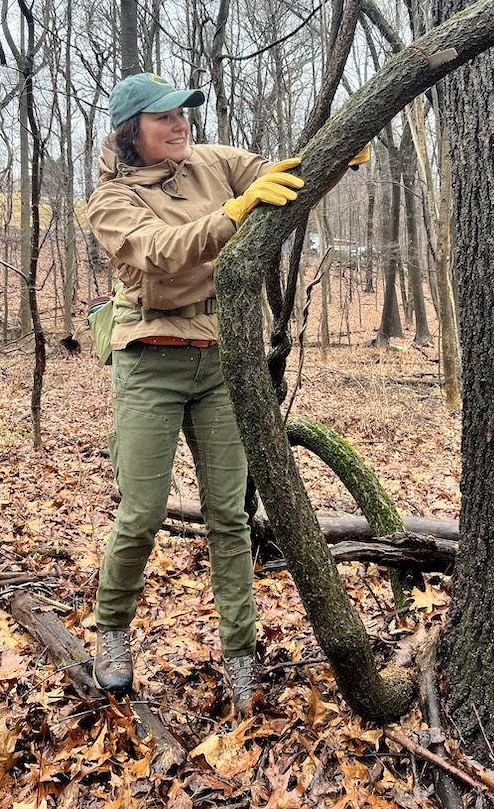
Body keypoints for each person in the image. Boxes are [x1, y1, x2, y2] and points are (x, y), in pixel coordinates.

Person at [86, 71, 305, 714]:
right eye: (164, 118)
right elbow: (160, 255)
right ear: (133, 133)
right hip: (149, 363)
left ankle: (240, 655)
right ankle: (111, 631)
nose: (181, 124)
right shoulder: (108, 201)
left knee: (229, 517)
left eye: (184, 113)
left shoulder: (209, 161)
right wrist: (233, 214)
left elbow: (280, 172)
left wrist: (337, 157)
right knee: (144, 511)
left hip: (219, 361)